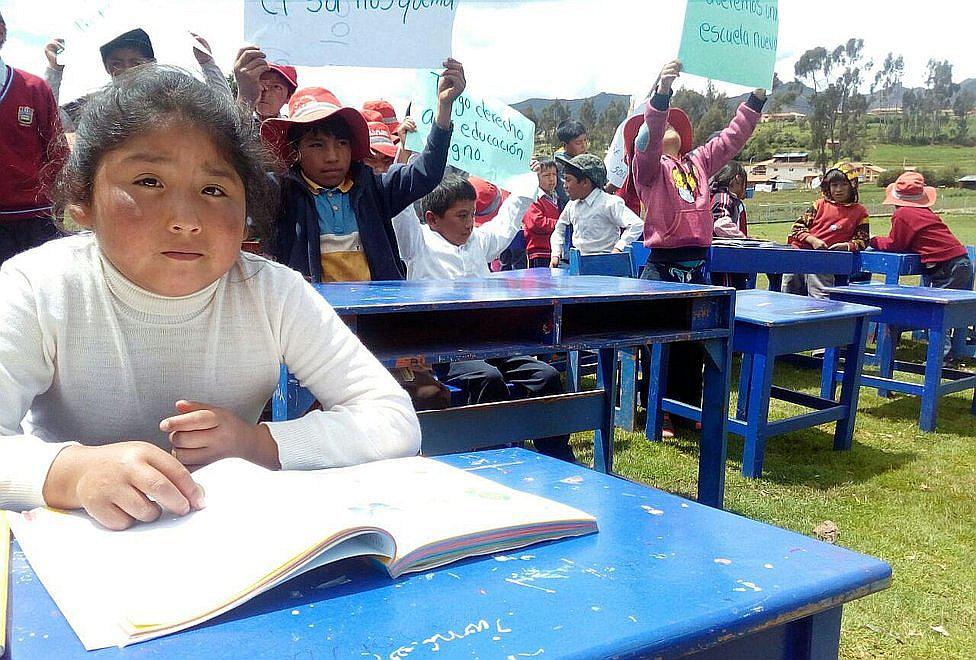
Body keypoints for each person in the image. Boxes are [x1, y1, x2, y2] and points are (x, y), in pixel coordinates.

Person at [0, 66, 420, 528]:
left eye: (213, 189)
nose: (185, 219)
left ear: (247, 215)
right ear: (83, 202)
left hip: (229, 545)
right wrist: (71, 473)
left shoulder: (272, 292)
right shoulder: (37, 287)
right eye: (148, 182)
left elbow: (392, 418)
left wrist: (257, 444)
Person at [391, 173, 576, 462]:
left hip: (488, 344)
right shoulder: (418, 246)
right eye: (461, 215)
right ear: (433, 219)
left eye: (473, 215)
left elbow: (508, 219)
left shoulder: (478, 241)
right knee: (487, 379)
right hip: (444, 350)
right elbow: (400, 211)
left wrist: (527, 179)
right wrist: (405, 162)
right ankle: (492, 459)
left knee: (546, 375)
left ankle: (559, 458)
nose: (469, 223)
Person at [630, 59, 765, 438]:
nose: (667, 127)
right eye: (662, 125)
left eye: (674, 123)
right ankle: (659, 411)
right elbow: (651, 135)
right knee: (661, 345)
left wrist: (754, 100)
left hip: (697, 267)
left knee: (694, 344)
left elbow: (732, 138)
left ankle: (687, 409)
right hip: (662, 268)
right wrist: (662, 96)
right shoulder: (648, 171)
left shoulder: (699, 163)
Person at [264, 58, 464, 283]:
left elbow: (427, 172)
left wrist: (444, 110)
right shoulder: (279, 195)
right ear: (295, 151)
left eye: (341, 143)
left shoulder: (375, 189)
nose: (332, 156)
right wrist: (244, 97)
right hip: (311, 315)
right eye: (316, 145)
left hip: (375, 316)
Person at [871, 171, 974, 364]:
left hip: (946, 267)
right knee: (950, 311)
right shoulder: (925, 212)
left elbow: (896, 244)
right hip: (962, 262)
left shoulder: (902, 214)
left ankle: (941, 356)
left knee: (935, 311)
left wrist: (874, 241)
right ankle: (955, 348)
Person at [45, 28, 231, 131]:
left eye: (136, 62)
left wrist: (207, 62)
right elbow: (54, 123)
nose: (127, 69)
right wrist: (54, 70)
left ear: (152, 64)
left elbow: (224, 114)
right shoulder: (94, 103)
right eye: (116, 63)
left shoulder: (176, 97)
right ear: (107, 68)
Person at [0, 10, 69, 264]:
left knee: (47, 293)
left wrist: (60, 202)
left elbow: (57, 151)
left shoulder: (34, 88)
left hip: (36, 217)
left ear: (2, 32)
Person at [784, 163, 869, 299]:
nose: (838, 190)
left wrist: (846, 246)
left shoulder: (860, 212)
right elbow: (797, 228)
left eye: (844, 185)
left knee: (820, 295)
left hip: (826, 258)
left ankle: (821, 317)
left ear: (853, 185)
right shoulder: (818, 205)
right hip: (800, 251)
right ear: (827, 186)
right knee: (790, 289)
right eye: (834, 185)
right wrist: (813, 240)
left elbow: (863, 240)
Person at [549, 153, 643, 266]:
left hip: (606, 265)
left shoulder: (609, 203)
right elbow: (559, 229)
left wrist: (618, 249)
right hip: (578, 263)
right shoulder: (572, 205)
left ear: (585, 182)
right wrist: (556, 253)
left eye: (568, 180)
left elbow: (637, 225)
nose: (565, 185)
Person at [709, 161, 750, 288]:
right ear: (737, 180)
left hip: (731, 257)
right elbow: (720, 224)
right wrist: (742, 238)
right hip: (726, 258)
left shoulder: (728, 199)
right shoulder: (723, 197)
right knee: (729, 289)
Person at [233, 45, 298, 121]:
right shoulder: (234, 120)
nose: (265, 92)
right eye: (260, 83)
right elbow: (233, 131)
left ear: (288, 97)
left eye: (276, 87)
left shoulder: (293, 129)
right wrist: (244, 96)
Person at [523, 158, 561, 268]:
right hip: (538, 252)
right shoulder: (533, 198)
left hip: (555, 251)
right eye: (546, 175)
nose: (551, 179)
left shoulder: (557, 197)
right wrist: (560, 224)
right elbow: (536, 223)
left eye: (554, 174)